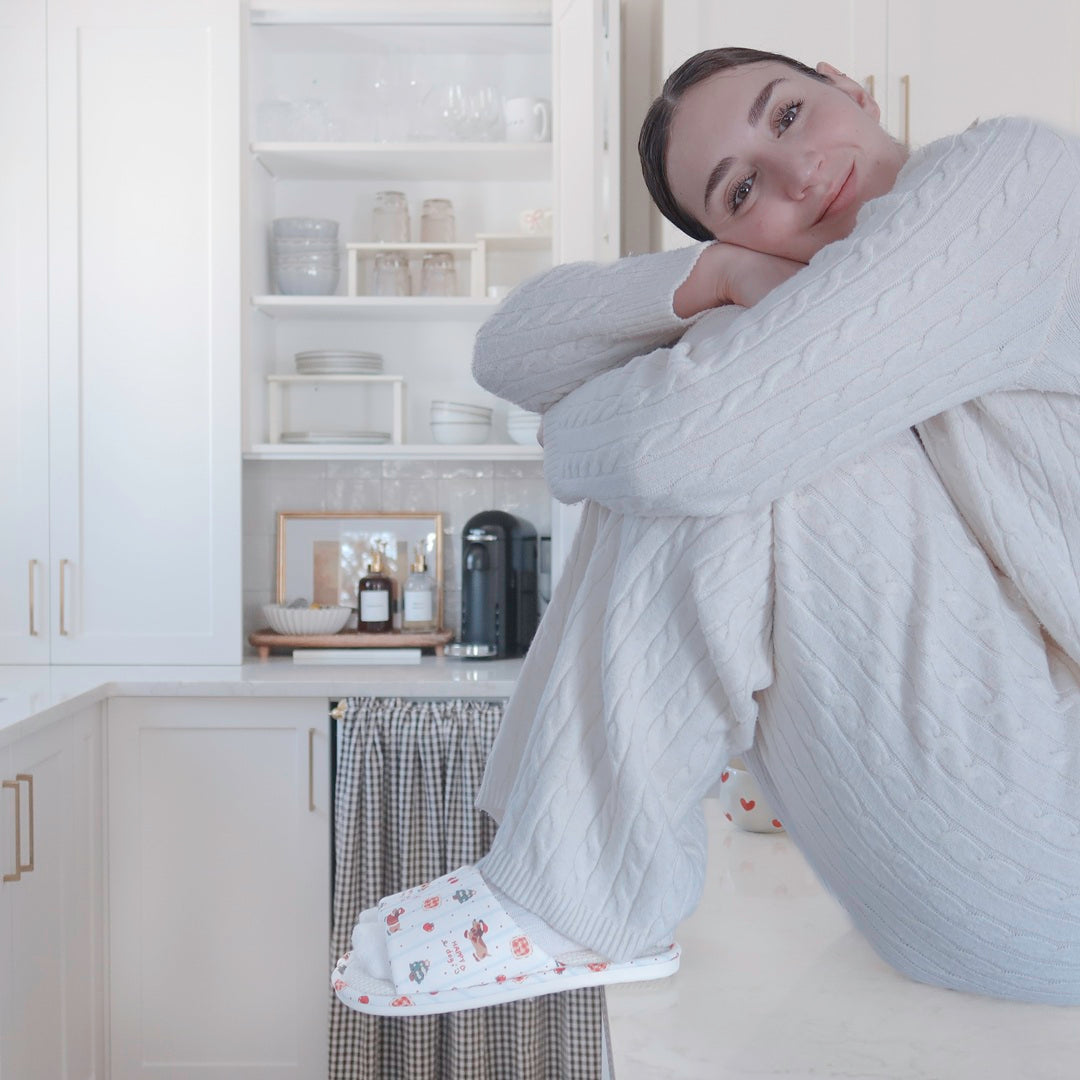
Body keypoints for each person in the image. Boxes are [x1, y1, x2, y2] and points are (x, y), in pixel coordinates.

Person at [333, 47, 1080, 1016]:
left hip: (1044, 853)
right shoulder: (815, 291)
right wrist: (715, 274)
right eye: (740, 192)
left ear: (845, 81)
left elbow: (682, 446)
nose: (798, 173)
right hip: (964, 869)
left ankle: (582, 902)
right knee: (752, 387)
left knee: (746, 411)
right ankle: (595, 880)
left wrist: (579, 432)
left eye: (787, 116)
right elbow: (513, 351)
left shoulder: (1011, 179)